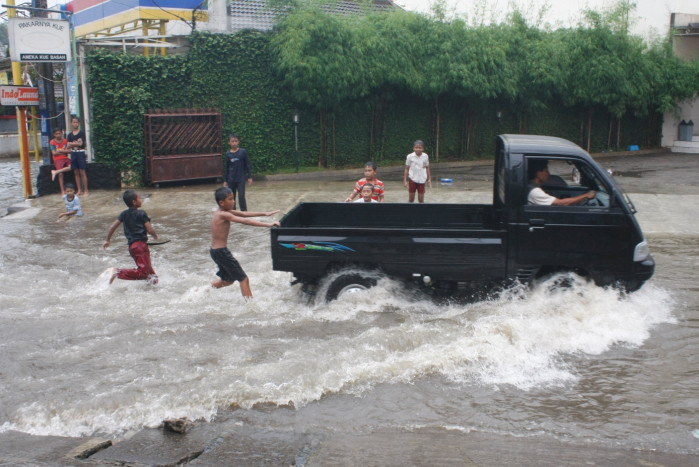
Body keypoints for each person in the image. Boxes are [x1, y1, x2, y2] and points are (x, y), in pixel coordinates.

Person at [210, 187, 280, 298]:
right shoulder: (224, 214)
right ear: (222, 202)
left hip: (215, 252)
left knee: (228, 280)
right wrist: (268, 224)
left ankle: (203, 291)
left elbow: (243, 214)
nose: (234, 201)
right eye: (231, 199)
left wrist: (265, 214)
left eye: (233, 199)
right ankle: (250, 305)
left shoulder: (221, 212)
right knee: (244, 279)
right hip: (221, 252)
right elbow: (245, 221)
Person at [102, 190, 158, 285]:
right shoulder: (141, 213)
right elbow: (149, 229)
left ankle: (152, 289)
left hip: (132, 247)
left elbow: (112, 227)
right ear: (134, 202)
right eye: (139, 198)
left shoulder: (124, 214)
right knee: (144, 273)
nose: (141, 200)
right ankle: (117, 272)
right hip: (141, 247)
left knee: (151, 276)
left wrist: (107, 240)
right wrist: (155, 235)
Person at [527, 159, 596, 206]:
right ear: (538, 173)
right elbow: (561, 203)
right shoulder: (535, 191)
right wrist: (586, 195)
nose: (548, 173)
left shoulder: (532, 186)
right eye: (546, 170)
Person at [222, 133, 252, 211]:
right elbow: (227, 167)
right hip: (231, 179)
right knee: (232, 197)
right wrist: (225, 180)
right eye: (232, 141)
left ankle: (244, 213)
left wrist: (249, 176)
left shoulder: (243, 152)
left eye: (236, 141)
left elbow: (247, 164)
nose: (234, 143)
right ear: (229, 142)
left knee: (241, 196)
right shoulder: (228, 154)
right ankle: (233, 212)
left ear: (238, 142)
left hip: (241, 178)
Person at [67, 116, 88, 196]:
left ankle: (85, 190)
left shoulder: (81, 133)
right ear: (71, 123)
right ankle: (79, 190)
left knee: (82, 171)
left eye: (76, 122)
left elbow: (81, 144)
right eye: (73, 122)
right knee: (76, 172)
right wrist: (75, 143)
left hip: (80, 152)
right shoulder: (69, 135)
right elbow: (68, 145)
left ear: (79, 123)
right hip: (73, 153)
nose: (75, 124)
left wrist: (73, 144)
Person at [49, 128, 72, 195]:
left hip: (65, 158)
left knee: (72, 166)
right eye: (56, 134)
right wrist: (63, 152)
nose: (58, 135)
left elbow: (69, 151)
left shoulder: (65, 141)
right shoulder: (52, 142)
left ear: (62, 133)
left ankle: (56, 172)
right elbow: (54, 153)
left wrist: (60, 151)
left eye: (59, 133)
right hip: (57, 159)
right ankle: (62, 190)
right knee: (61, 174)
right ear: (54, 135)